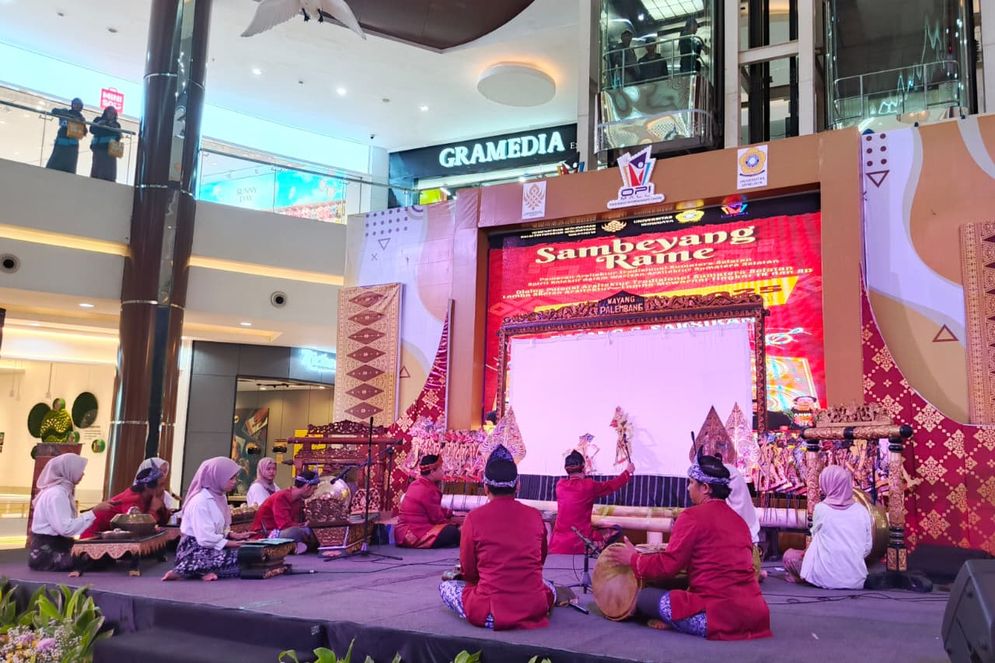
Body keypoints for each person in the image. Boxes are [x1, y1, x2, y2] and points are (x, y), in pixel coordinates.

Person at [603, 453, 772, 640]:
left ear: (705, 488)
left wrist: (633, 559)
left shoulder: (692, 516)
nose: (688, 487)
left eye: (691, 483)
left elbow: (669, 566)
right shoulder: (740, 522)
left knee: (645, 597)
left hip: (719, 618)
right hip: (757, 616)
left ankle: (675, 621)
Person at [439, 445, 556, 630]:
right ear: (518, 485)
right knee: (548, 585)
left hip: (491, 612)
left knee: (446, 588)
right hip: (534, 608)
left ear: (485, 487)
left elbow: (469, 571)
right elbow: (539, 561)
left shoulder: (474, 518)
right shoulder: (534, 515)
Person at [163, 457, 254, 581]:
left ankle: (199, 570)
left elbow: (216, 527)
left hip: (211, 545)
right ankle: (188, 569)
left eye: (235, 478)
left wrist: (232, 535)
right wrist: (232, 544)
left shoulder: (220, 497)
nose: (235, 482)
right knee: (245, 558)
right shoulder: (200, 501)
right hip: (195, 550)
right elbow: (205, 537)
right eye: (231, 478)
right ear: (217, 476)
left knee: (252, 555)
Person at [782, 466, 872, 589]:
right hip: (856, 580)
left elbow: (814, 538)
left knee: (789, 555)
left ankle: (802, 576)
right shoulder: (862, 511)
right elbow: (867, 547)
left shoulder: (821, 509)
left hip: (824, 578)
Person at [28, 455, 113, 573]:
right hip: (47, 554)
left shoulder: (61, 491)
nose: (83, 474)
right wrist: (94, 512)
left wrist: (94, 511)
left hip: (59, 546)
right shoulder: (56, 494)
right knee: (98, 557)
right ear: (68, 471)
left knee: (102, 553)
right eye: (80, 470)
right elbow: (66, 529)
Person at [548, 451, 633, 554]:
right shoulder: (589, 486)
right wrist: (627, 472)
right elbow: (611, 486)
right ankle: (594, 550)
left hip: (558, 544)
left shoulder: (560, 485)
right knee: (616, 530)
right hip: (581, 541)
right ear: (583, 468)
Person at [80, 465, 170, 539]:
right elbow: (137, 530)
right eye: (161, 485)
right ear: (148, 486)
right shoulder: (132, 499)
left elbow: (163, 521)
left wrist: (162, 509)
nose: (163, 489)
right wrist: (153, 510)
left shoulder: (150, 497)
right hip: (93, 536)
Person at [396, 454, 461, 549]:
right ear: (432, 471)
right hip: (414, 534)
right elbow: (437, 519)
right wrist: (456, 525)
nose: (443, 472)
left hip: (401, 533)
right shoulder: (428, 490)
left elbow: (434, 509)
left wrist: (451, 514)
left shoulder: (416, 483)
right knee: (453, 532)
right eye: (440, 469)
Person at [251, 468, 321, 554]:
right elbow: (284, 526)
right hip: (267, 535)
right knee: (295, 532)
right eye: (314, 489)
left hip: (286, 531)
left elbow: (299, 522)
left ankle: (296, 546)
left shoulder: (299, 500)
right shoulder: (281, 497)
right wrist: (303, 526)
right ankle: (296, 546)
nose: (314, 493)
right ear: (307, 487)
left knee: (313, 529)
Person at [724, 461, 764, 580]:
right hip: (752, 566)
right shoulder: (748, 509)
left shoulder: (719, 509)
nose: (688, 488)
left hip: (729, 571)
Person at [45, 98, 87, 173]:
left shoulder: (81, 119)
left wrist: (82, 123)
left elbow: (84, 133)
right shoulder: (65, 111)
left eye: (79, 105)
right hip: (61, 143)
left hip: (72, 146)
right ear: (72, 105)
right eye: (75, 104)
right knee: (54, 163)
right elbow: (54, 110)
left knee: (69, 166)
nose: (77, 106)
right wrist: (70, 117)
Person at [89, 106, 122, 182]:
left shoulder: (117, 124)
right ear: (105, 113)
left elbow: (118, 138)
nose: (111, 115)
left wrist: (115, 129)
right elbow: (92, 130)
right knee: (97, 169)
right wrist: (98, 124)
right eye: (109, 112)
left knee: (110, 171)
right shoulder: (98, 119)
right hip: (99, 149)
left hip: (111, 151)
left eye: (113, 113)